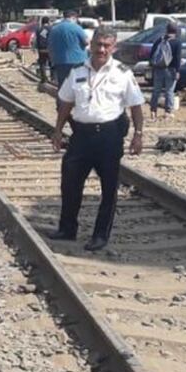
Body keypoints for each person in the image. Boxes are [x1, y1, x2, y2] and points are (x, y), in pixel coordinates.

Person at [48, 27, 145, 251]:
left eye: (106, 45)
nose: (101, 49)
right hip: (81, 135)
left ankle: (100, 235)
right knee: (70, 183)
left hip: (109, 136)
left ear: (114, 47)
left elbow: (136, 106)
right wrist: (57, 130)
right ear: (90, 45)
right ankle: (67, 229)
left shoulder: (123, 74)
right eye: (98, 44)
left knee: (109, 188)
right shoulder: (77, 72)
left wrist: (138, 135)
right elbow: (65, 103)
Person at [48, 10, 88, 102]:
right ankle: (78, 106)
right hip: (78, 61)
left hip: (60, 61)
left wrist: (52, 59)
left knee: (62, 86)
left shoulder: (54, 29)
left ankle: (61, 108)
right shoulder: (76, 28)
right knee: (79, 85)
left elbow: (50, 46)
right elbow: (86, 42)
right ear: (73, 18)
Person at [149, 23, 182, 119]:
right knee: (169, 91)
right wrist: (177, 71)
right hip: (170, 69)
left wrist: (152, 65)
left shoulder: (160, 40)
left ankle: (153, 111)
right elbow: (177, 58)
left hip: (158, 68)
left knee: (156, 91)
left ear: (167, 30)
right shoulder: (177, 42)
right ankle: (168, 112)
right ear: (176, 31)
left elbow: (152, 54)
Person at [32, 17, 51, 82]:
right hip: (49, 49)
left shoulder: (39, 29)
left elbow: (35, 40)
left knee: (42, 63)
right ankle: (53, 78)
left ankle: (43, 78)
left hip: (41, 49)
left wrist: (34, 48)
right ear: (48, 22)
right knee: (51, 63)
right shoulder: (51, 29)